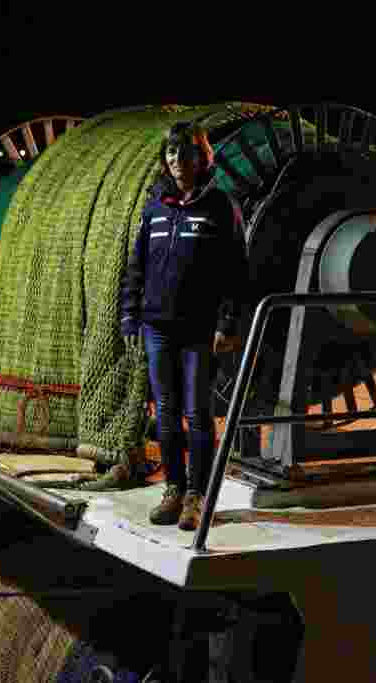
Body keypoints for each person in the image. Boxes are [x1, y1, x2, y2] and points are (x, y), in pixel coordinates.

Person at [119, 121, 248, 531]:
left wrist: (228, 322)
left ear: (203, 158)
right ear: (166, 159)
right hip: (156, 326)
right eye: (172, 153)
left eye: (187, 152)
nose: (178, 159)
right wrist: (129, 314)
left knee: (197, 412)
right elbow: (135, 266)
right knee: (168, 413)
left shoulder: (221, 207)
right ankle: (174, 488)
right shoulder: (153, 208)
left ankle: (197, 495)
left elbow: (236, 272)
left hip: (199, 328)